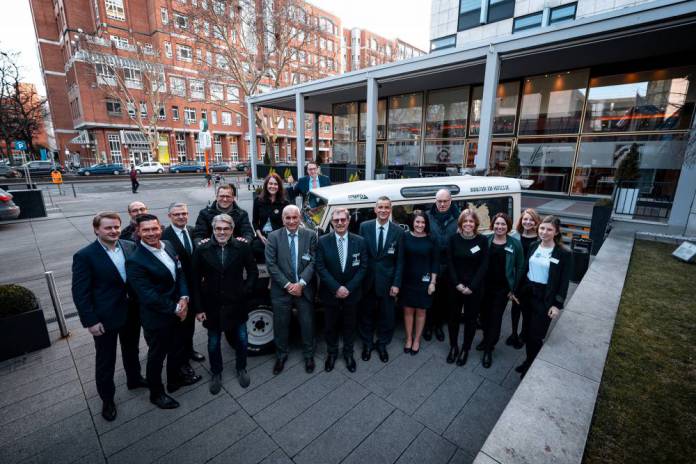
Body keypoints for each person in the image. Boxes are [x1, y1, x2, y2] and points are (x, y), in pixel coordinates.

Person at [71, 212, 146, 422]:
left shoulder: (129, 246)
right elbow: (80, 292)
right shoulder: (85, 256)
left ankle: (134, 379)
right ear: (96, 230)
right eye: (108, 228)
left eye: (116, 227)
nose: (113, 231)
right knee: (106, 360)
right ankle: (107, 399)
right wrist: (91, 321)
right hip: (105, 318)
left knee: (132, 349)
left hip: (131, 312)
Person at [126, 214, 199, 409]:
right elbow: (148, 295)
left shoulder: (168, 244)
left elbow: (180, 273)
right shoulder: (135, 260)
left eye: (154, 228)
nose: (151, 233)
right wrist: (176, 309)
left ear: (160, 228)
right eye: (146, 230)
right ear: (138, 232)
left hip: (178, 309)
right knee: (156, 357)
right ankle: (156, 394)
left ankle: (175, 381)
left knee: (177, 349)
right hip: (158, 317)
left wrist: (184, 297)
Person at [192, 214, 258, 393]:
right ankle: (216, 372)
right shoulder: (202, 249)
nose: (222, 232)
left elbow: (252, 272)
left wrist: (245, 291)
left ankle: (241, 368)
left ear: (232, 230)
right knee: (213, 342)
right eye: (218, 229)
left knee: (242, 339)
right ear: (213, 229)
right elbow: (195, 281)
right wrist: (199, 308)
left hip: (237, 303)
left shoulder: (242, 247)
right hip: (212, 305)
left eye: (226, 229)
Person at [516, 215, 572, 378]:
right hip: (528, 294)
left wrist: (557, 305)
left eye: (549, 229)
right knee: (527, 330)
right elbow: (525, 269)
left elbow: (564, 282)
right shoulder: (533, 245)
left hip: (545, 298)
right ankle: (528, 361)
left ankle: (531, 365)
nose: (544, 232)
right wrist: (516, 291)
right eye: (542, 228)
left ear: (556, 232)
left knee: (536, 336)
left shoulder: (563, 253)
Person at [265, 205, 318, 375]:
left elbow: (314, 261)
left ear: (299, 218)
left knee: (307, 324)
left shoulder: (310, 235)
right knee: (281, 324)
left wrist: (301, 284)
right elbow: (271, 265)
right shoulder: (273, 237)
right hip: (281, 290)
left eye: (295, 217)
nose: (292, 221)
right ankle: (281, 355)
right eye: (287, 218)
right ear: (283, 220)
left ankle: (309, 355)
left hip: (304, 289)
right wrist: (288, 285)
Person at [315, 207, 367, 373]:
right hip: (330, 294)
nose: (340, 223)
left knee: (349, 325)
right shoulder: (323, 241)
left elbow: (363, 267)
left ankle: (348, 354)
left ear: (348, 221)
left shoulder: (360, 241)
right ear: (331, 222)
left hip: (352, 294)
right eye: (336, 220)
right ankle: (331, 353)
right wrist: (336, 287)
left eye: (343, 219)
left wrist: (348, 288)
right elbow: (320, 266)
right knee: (330, 326)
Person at [358, 196, 404, 363]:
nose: (383, 210)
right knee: (366, 315)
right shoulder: (364, 227)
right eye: (380, 207)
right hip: (367, 281)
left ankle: (383, 344)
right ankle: (367, 344)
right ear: (375, 209)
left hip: (388, 283)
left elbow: (400, 261)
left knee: (387, 316)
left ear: (390, 210)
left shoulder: (398, 231)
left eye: (386, 207)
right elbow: (361, 254)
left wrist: (396, 284)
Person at [161, 202, 206, 370]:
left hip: (195, 287)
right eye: (177, 214)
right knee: (179, 327)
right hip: (177, 290)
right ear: (169, 216)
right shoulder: (164, 236)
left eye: (184, 213)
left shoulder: (193, 231)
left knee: (190, 325)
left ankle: (189, 350)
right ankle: (182, 362)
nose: (181, 217)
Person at [479, 213, 524, 368]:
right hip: (484, 287)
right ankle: (486, 339)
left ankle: (489, 349)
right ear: (493, 225)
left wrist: (513, 289)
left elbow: (520, 267)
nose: (500, 227)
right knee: (484, 317)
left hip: (502, 290)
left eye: (503, 224)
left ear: (508, 226)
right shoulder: (486, 240)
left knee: (495, 318)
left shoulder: (515, 244)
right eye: (497, 224)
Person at [447, 209, 488, 366]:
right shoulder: (453, 239)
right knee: (453, 318)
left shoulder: (482, 240)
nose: (468, 224)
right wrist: (457, 284)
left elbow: (484, 265)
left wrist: (471, 286)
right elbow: (450, 262)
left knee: (471, 320)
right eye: (465, 221)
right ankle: (453, 346)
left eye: (471, 221)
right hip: (455, 286)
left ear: (475, 223)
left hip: (474, 288)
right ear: (461, 223)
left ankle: (465, 348)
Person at [400, 211, 438, 355]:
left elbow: (435, 262)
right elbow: (401, 260)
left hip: (425, 281)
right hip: (407, 281)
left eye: (423, 222)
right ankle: (409, 338)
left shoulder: (432, 239)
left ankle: (417, 340)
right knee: (408, 310)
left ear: (426, 224)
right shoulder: (405, 236)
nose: (420, 225)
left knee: (421, 311)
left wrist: (433, 282)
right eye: (417, 222)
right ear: (412, 222)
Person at [424, 189, 459, 342]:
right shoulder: (427, 216)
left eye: (445, 201)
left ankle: (438, 326)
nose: (442, 204)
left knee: (444, 298)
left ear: (450, 201)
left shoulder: (458, 217)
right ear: (435, 201)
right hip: (430, 263)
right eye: (439, 201)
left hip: (449, 265)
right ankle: (428, 326)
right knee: (429, 296)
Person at [507, 208, 541, 349]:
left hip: (530, 281)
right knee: (515, 308)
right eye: (525, 219)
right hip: (517, 279)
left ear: (536, 222)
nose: (527, 222)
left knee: (527, 310)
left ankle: (523, 334)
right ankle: (514, 333)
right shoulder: (515, 236)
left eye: (531, 220)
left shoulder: (540, 239)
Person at [252, 173, 289, 261]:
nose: (273, 186)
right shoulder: (258, 201)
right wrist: (260, 236)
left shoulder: (284, 203)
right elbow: (255, 222)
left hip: (279, 238)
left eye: (275, 184)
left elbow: (287, 224)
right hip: (263, 237)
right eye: (270, 183)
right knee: (253, 249)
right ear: (266, 185)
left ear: (279, 186)